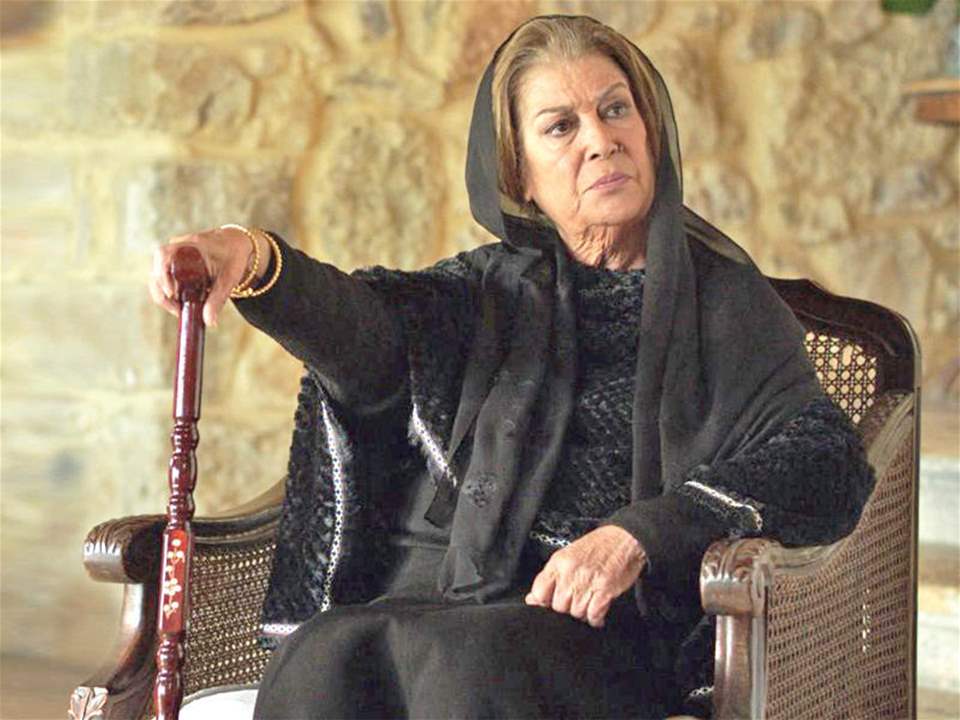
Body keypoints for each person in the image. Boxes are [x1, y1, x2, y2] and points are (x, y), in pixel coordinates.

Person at [149, 15, 875, 719]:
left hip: (602, 629)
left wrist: (641, 534)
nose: (602, 141)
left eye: (615, 110)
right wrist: (251, 259)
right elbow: (362, 331)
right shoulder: (487, 292)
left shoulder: (725, 302)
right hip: (448, 599)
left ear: (651, 131)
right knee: (324, 652)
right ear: (519, 174)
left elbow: (822, 456)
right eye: (561, 126)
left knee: (469, 660)